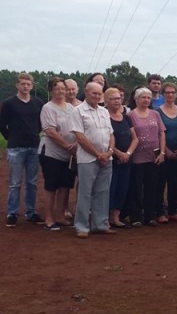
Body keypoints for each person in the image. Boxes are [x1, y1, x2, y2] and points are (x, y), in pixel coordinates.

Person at [70, 82, 116, 238]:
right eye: (93, 93)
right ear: (86, 92)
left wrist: (109, 153)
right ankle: (82, 226)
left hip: (106, 158)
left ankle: (100, 224)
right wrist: (98, 154)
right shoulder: (77, 111)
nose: (97, 96)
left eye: (99, 94)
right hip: (88, 159)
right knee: (85, 193)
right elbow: (80, 137)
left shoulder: (104, 111)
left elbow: (111, 134)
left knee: (103, 192)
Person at [1, 72, 44, 227]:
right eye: (23, 84)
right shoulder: (9, 103)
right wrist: (11, 138)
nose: (25, 87)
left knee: (32, 182)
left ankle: (30, 212)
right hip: (16, 147)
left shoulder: (38, 103)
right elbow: (2, 124)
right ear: (17, 85)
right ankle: (12, 213)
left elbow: (41, 123)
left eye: (28, 84)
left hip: (33, 145)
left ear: (32, 86)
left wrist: (34, 133)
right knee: (15, 182)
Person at [38, 78, 77, 230]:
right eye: (57, 88)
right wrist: (68, 145)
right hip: (51, 153)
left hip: (68, 154)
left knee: (65, 185)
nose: (61, 91)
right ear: (51, 90)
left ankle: (60, 216)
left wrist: (75, 144)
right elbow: (51, 132)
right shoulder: (48, 108)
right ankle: (49, 218)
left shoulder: (71, 108)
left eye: (63, 88)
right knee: (51, 186)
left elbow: (77, 128)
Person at [127, 87, 166, 227]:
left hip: (154, 156)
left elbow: (161, 133)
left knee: (152, 186)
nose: (146, 100)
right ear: (136, 99)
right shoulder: (131, 115)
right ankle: (136, 216)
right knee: (136, 187)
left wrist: (162, 152)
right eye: (143, 97)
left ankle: (150, 215)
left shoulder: (155, 114)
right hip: (137, 156)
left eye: (148, 98)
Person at [105, 88, 138, 228]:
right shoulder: (104, 117)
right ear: (106, 101)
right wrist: (118, 153)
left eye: (119, 98)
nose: (117, 101)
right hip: (111, 160)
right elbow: (105, 140)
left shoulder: (126, 117)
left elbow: (135, 139)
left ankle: (115, 217)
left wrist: (128, 154)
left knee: (122, 188)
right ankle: (104, 218)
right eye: (113, 98)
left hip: (127, 160)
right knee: (109, 189)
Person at [157, 83, 177, 222]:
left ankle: (173, 211)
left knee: (176, 183)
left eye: (172, 92)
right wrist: (165, 151)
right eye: (167, 92)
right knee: (160, 183)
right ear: (163, 94)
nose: (170, 95)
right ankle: (159, 212)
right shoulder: (157, 111)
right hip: (163, 153)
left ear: (176, 94)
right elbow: (156, 133)